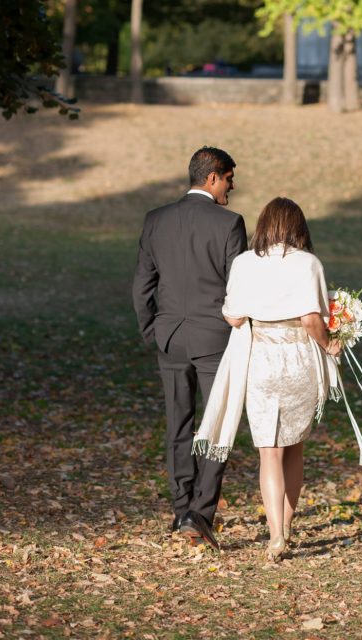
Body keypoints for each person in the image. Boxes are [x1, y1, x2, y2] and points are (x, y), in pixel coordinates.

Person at [193, 197, 342, 560]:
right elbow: (311, 319)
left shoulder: (244, 263)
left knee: (269, 451)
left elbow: (233, 316)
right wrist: (331, 345)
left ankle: (275, 534)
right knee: (294, 446)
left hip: (261, 359)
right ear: (298, 226)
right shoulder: (309, 263)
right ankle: (286, 530)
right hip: (298, 359)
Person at [132, 146, 248, 550]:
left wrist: (153, 331)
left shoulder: (155, 220)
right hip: (215, 338)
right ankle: (200, 512)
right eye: (230, 179)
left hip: (170, 337)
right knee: (217, 426)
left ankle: (182, 508)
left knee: (178, 425)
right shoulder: (230, 223)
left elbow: (142, 286)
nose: (232, 188)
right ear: (213, 177)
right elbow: (240, 289)